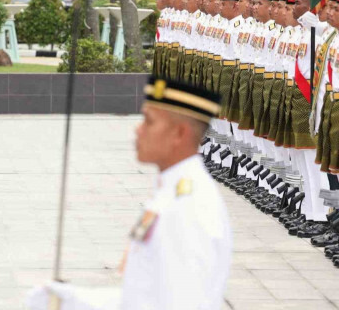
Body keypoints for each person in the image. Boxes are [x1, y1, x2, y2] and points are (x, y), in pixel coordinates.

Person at [26, 76, 232, 310]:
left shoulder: (187, 208)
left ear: (179, 133)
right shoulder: (173, 193)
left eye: (148, 121)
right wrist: (73, 301)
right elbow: (145, 297)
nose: (138, 129)